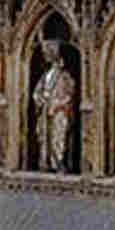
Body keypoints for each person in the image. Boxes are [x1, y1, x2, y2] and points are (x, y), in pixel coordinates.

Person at [33, 36, 77, 173]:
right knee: (44, 137)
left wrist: (57, 104)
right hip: (45, 110)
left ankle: (59, 163)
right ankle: (45, 163)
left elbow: (69, 95)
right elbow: (37, 91)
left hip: (59, 112)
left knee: (58, 139)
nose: (45, 57)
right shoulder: (46, 75)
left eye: (48, 53)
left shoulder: (64, 76)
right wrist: (39, 99)